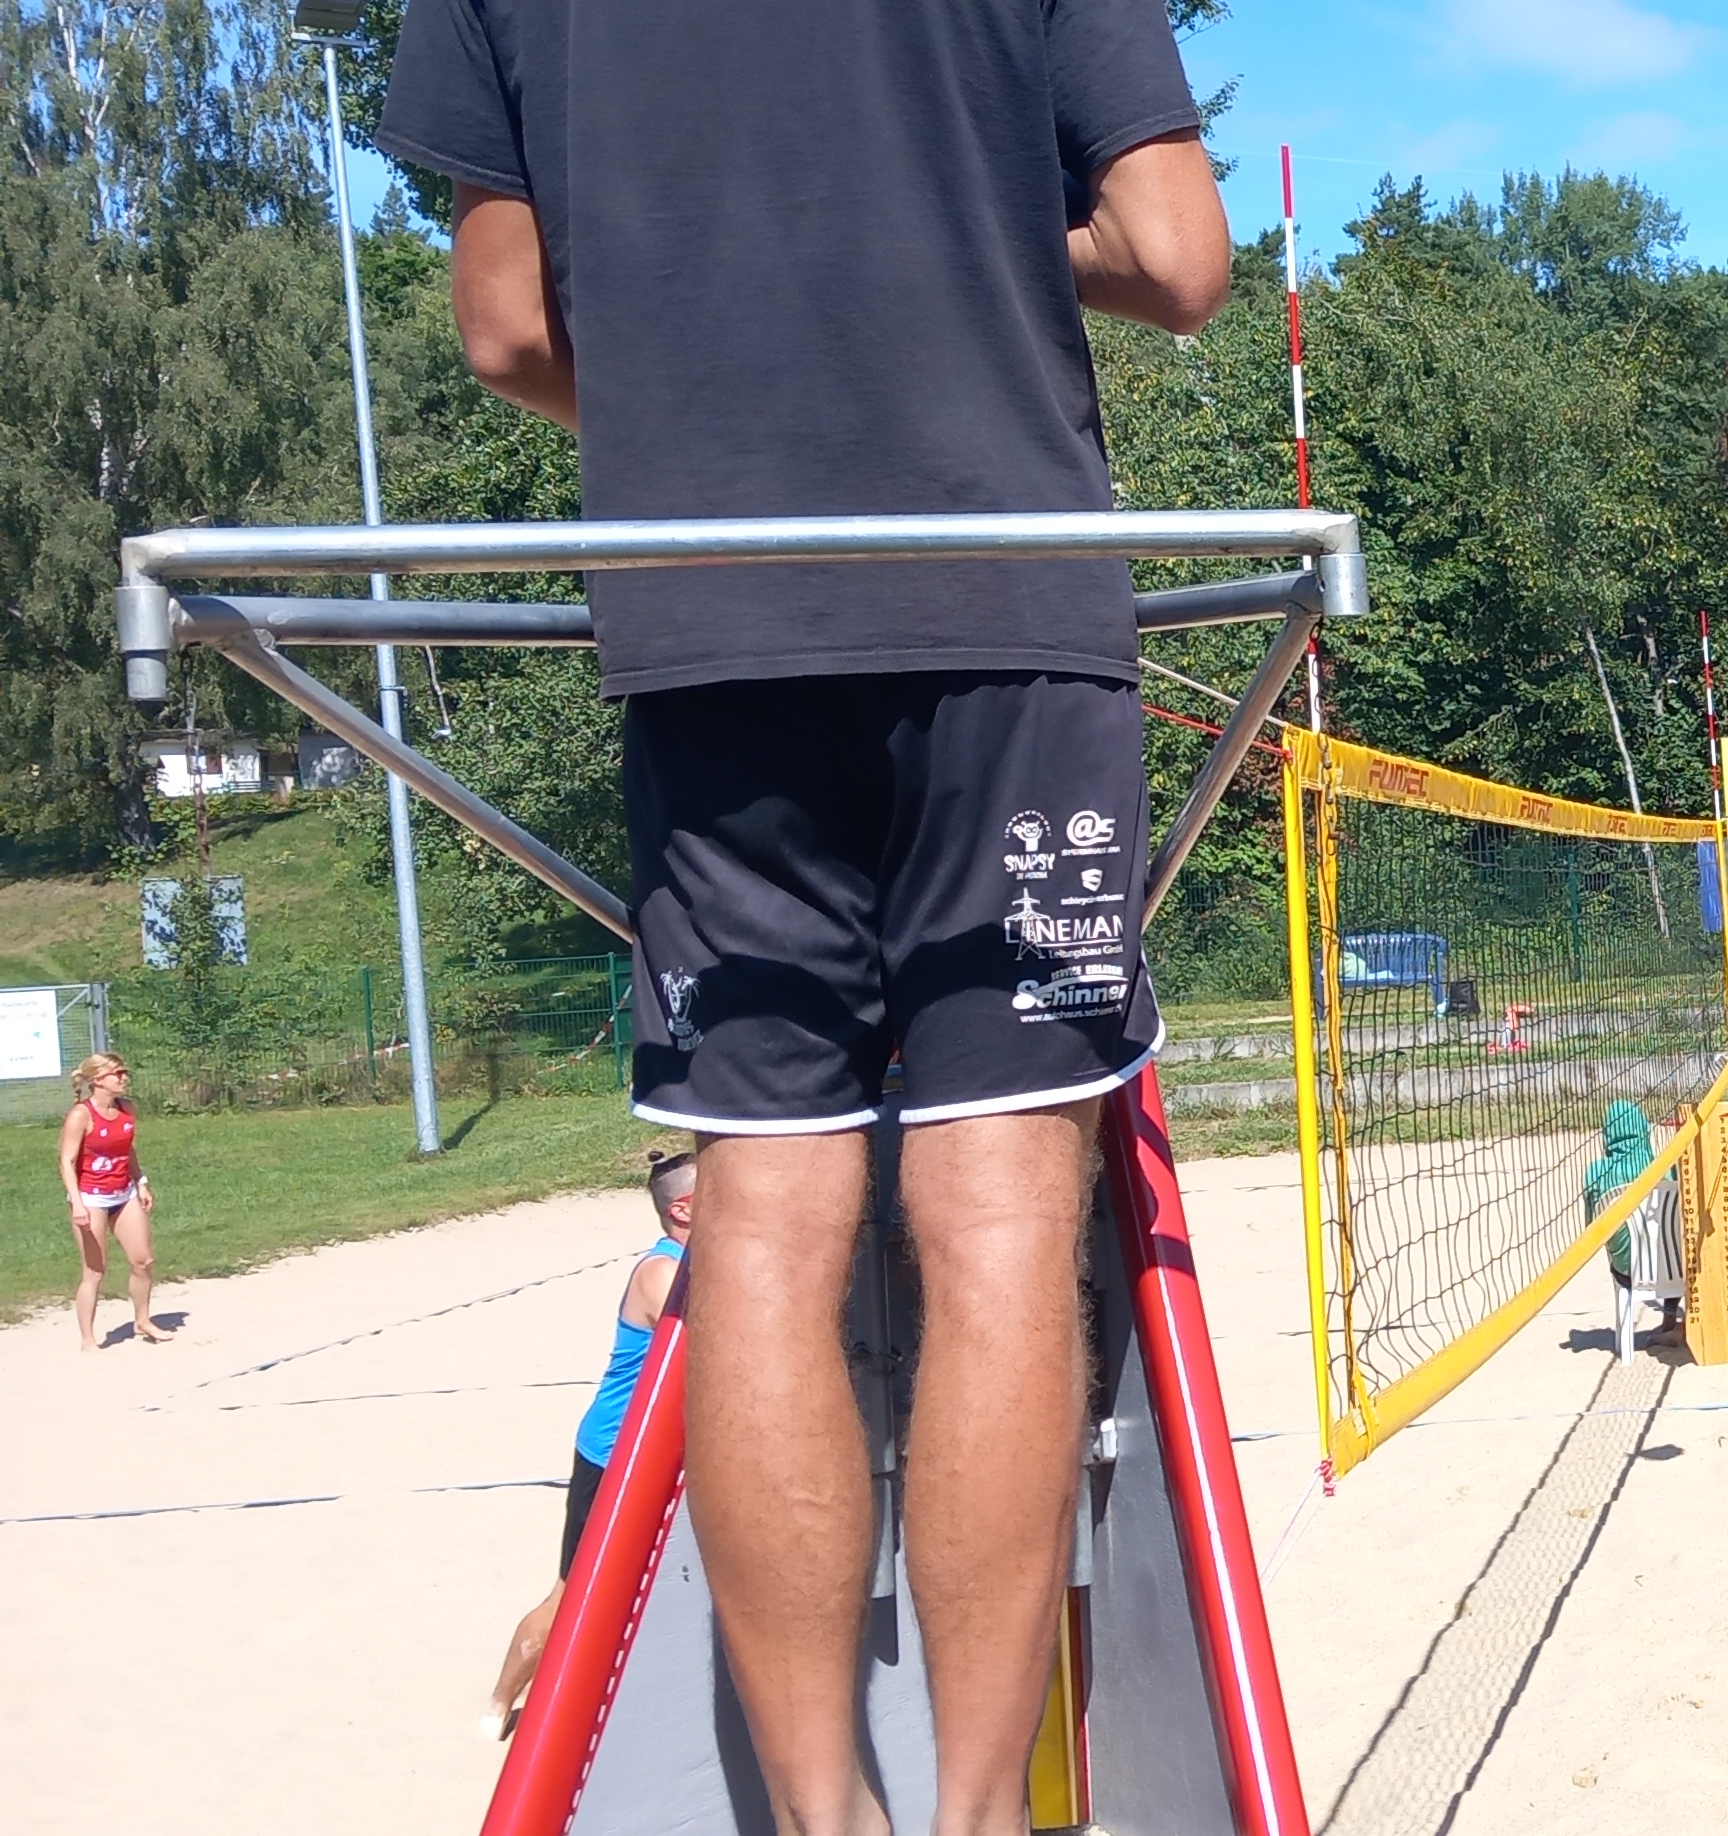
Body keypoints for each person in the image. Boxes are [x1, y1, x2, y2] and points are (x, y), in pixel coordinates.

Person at [385, 0, 1230, 1825]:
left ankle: (822, 1813)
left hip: (716, 614)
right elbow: (1177, 257)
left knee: (765, 1215)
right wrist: (952, 255)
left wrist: (724, 398)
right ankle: (978, 1813)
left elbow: (506, 327)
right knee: (1000, 1210)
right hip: (1003, 599)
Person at [488, 1151, 695, 1740]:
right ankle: (500, 1704)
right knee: (572, 1595)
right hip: (612, 1457)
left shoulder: (697, 1263)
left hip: (657, 1457)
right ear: (683, 1210)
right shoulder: (663, 1272)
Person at [56, 1053, 170, 1349]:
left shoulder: (126, 1108)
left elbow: (126, 1150)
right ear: (97, 1080)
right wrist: (77, 1203)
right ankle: (88, 1339)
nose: (124, 1077)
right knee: (94, 1271)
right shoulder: (81, 1115)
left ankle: (142, 1320)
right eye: (117, 1073)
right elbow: (67, 1161)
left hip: (123, 1193)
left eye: (124, 1072)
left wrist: (140, 1182)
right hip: (90, 1197)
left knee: (143, 1261)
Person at [1593, 1100, 1681, 1343]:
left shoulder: (1595, 1173)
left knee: (1619, 1244)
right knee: (1675, 1242)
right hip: (1673, 1269)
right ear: (1643, 1129)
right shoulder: (1666, 1167)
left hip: (1627, 1272)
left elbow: (1592, 1230)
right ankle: (1671, 1315)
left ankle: (1629, 1338)